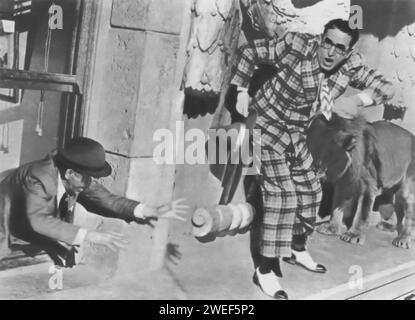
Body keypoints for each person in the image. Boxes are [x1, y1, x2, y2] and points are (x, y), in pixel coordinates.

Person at [230, 18, 395, 299]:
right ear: (321, 39)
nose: (330, 53)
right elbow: (250, 52)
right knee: (282, 194)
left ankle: (296, 247)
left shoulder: (350, 65)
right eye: (327, 43)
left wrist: (358, 100)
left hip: (296, 134)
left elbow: (386, 87)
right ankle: (266, 269)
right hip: (266, 126)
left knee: (310, 190)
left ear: (347, 52)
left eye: (339, 48)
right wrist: (242, 88)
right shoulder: (296, 45)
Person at [0, 137, 187, 267]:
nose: (90, 183)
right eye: (87, 177)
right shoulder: (38, 178)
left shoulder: (75, 176)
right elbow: (38, 220)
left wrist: (146, 210)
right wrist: (89, 235)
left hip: (21, 235)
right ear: (70, 174)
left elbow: (107, 199)